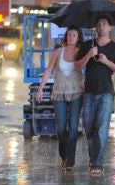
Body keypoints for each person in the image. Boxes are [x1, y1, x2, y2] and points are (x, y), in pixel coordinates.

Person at [75, 16, 115, 175]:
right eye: (98, 24)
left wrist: (106, 62)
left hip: (106, 93)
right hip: (89, 92)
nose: (101, 27)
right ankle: (93, 157)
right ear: (95, 28)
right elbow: (76, 66)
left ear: (110, 28)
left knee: (102, 128)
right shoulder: (87, 46)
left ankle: (97, 164)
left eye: (104, 24)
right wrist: (88, 55)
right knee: (89, 127)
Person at [36, 25, 84, 171]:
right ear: (66, 37)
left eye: (74, 35)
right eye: (69, 35)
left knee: (74, 127)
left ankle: (70, 160)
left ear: (78, 38)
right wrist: (40, 88)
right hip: (59, 92)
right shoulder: (58, 52)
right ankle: (64, 155)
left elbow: (88, 68)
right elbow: (48, 70)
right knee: (61, 127)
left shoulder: (81, 53)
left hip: (76, 92)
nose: (71, 38)